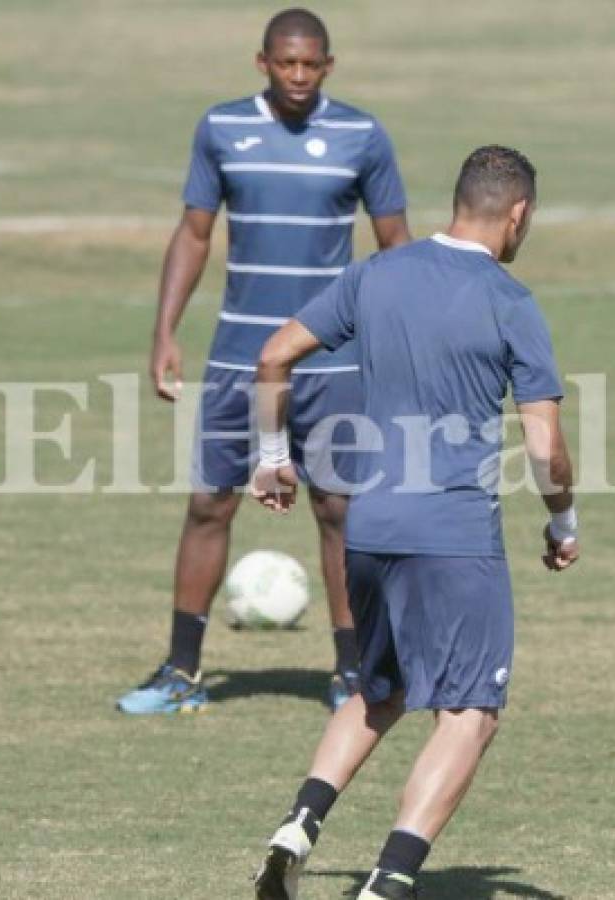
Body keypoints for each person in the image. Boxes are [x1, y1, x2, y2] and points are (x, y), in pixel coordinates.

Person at [248, 146, 578, 900]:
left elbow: (273, 358)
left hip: (369, 529)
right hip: (453, 537)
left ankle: (298, 823)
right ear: (518, 214)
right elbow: (543, 445)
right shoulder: (509, 301)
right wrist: (563, 521)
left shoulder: (376, 273)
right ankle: (389, 883)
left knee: (377, 691)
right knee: (469, 714)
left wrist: (273, 459)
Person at [116, 8, 410, 715]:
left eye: (312, 65)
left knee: (339, 510)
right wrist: (165, 332)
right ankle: (181, 672)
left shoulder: (362, 136)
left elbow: (396, 245)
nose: (300, 77)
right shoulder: (221, 130)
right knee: (208, 505)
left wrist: (404, 342)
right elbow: (193, 234)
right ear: (263, 62)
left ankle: (350, 673)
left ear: (329, 66)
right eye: (287, 64)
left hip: (332, 361)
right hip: (238, 360)